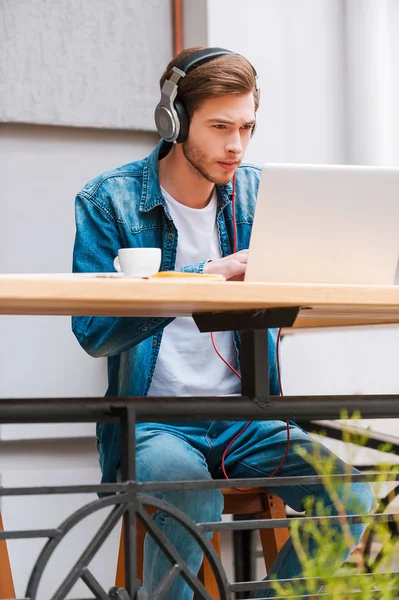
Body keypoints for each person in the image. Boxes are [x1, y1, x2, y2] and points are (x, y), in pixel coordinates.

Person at [72, 47, 375, 599]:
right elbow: (93, 331)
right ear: (174, 120)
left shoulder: (261, 194)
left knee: (351, 497)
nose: (236, 145)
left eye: (247, 127)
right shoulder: (108, 200)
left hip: (245, 419)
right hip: (155, 425)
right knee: (190, 491)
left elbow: (287, 304)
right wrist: (200, 277)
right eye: (219, 127)